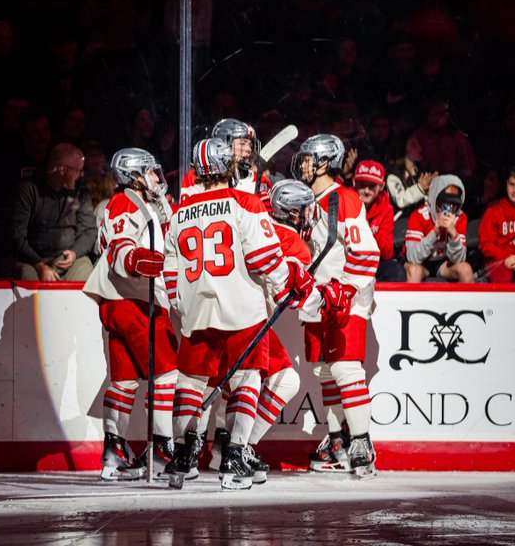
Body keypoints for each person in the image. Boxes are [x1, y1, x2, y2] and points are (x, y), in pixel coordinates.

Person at [162, 137, 315, 490]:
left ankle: (183, 459)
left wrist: (183, 306)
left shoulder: (179, 212)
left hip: (197, 310)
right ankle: (232, 457)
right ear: (224, 165)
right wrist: (284, 288)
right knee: (246, 380)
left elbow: (170, 273)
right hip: (242, 309)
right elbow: (264, 259)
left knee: (191, 384)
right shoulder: (243, 201)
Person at [206, 179, 316, 483]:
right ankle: (238, 447)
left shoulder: (251, 221)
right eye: (304, 211)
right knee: (279, 380)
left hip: (215, 312)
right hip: (248, 319)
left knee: (216, 386)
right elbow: (287, 297)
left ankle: (206, 450)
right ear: (293, 214)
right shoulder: (294, 243)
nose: (308, 216)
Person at [82, 148, 178, 480]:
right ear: (134, 176)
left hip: (119, 302)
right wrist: (136, 260)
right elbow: (121, 249)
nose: (157, 178)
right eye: (150, 172)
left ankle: (114, 451)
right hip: (133, 300)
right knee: (166, 374)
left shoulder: (145, 204)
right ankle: (164, 451)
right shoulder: (125, 202)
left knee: (123, 381)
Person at [290, 134, 381, 477]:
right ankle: (337, 441)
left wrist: (346, 289)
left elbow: (367, 252)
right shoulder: (311, 201)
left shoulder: (343, 198)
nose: (302, 165)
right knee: (324, 371)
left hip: (345, 300)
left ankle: (361, 443)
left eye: (308, 159)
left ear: (325, 162)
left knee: (345, 369)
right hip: (320, 299)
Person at [5, 142, 97, 281]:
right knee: (26, 275)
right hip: (31, 260)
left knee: (86, 271)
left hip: (68, 259)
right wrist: (39, 265)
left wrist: (74, 253)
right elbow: (16, 235)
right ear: (62, 169)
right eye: (78, 170)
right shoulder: (29, 190)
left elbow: (89, 230)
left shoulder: (81, 192)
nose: (82, 174)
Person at [180, 118, 270, 202]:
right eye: (242, 143)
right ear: (223, 144)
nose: (249, 149)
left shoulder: (260, 180)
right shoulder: (196, 178)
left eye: (250, 145)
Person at [403, 175, 474, 283]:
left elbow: (459, 259)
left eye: (453, 205)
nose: (448, 210)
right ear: (434, 199)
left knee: (466, 270)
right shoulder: (418, 216)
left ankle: (467, 300)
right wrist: (434, 233)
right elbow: (413, 257)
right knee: (414, 270)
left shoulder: (460, 217)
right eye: (443, 204)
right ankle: (411, 300)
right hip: (421, 264)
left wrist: (454, 236)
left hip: (444, 263)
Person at [352, 160, 406, 281]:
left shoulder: (386, 208)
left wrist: (367, 230)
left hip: (374, 262)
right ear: (354, 182)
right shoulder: (345, 200)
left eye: (372, 186)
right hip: (347, 260)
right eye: (362, 184)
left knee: (396, 271)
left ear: (381, 186)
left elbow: (387, 252)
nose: (366, 190)